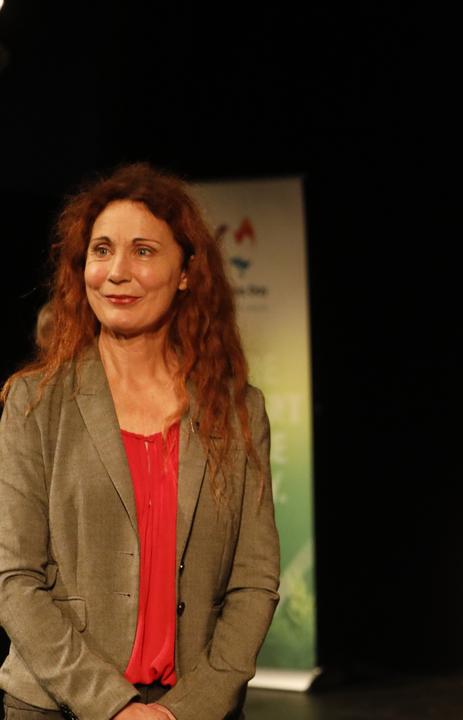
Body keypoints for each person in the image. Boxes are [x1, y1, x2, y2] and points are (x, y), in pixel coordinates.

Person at [0, 163, 280, 720]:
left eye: (144, 251)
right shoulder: (33, 403)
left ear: (185, 272)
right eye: (101, 251)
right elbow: (15, 580)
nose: (117, 272)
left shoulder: (238, 409)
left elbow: (254, 583)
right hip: (58, 706)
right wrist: (115, 707)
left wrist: (190, 708)